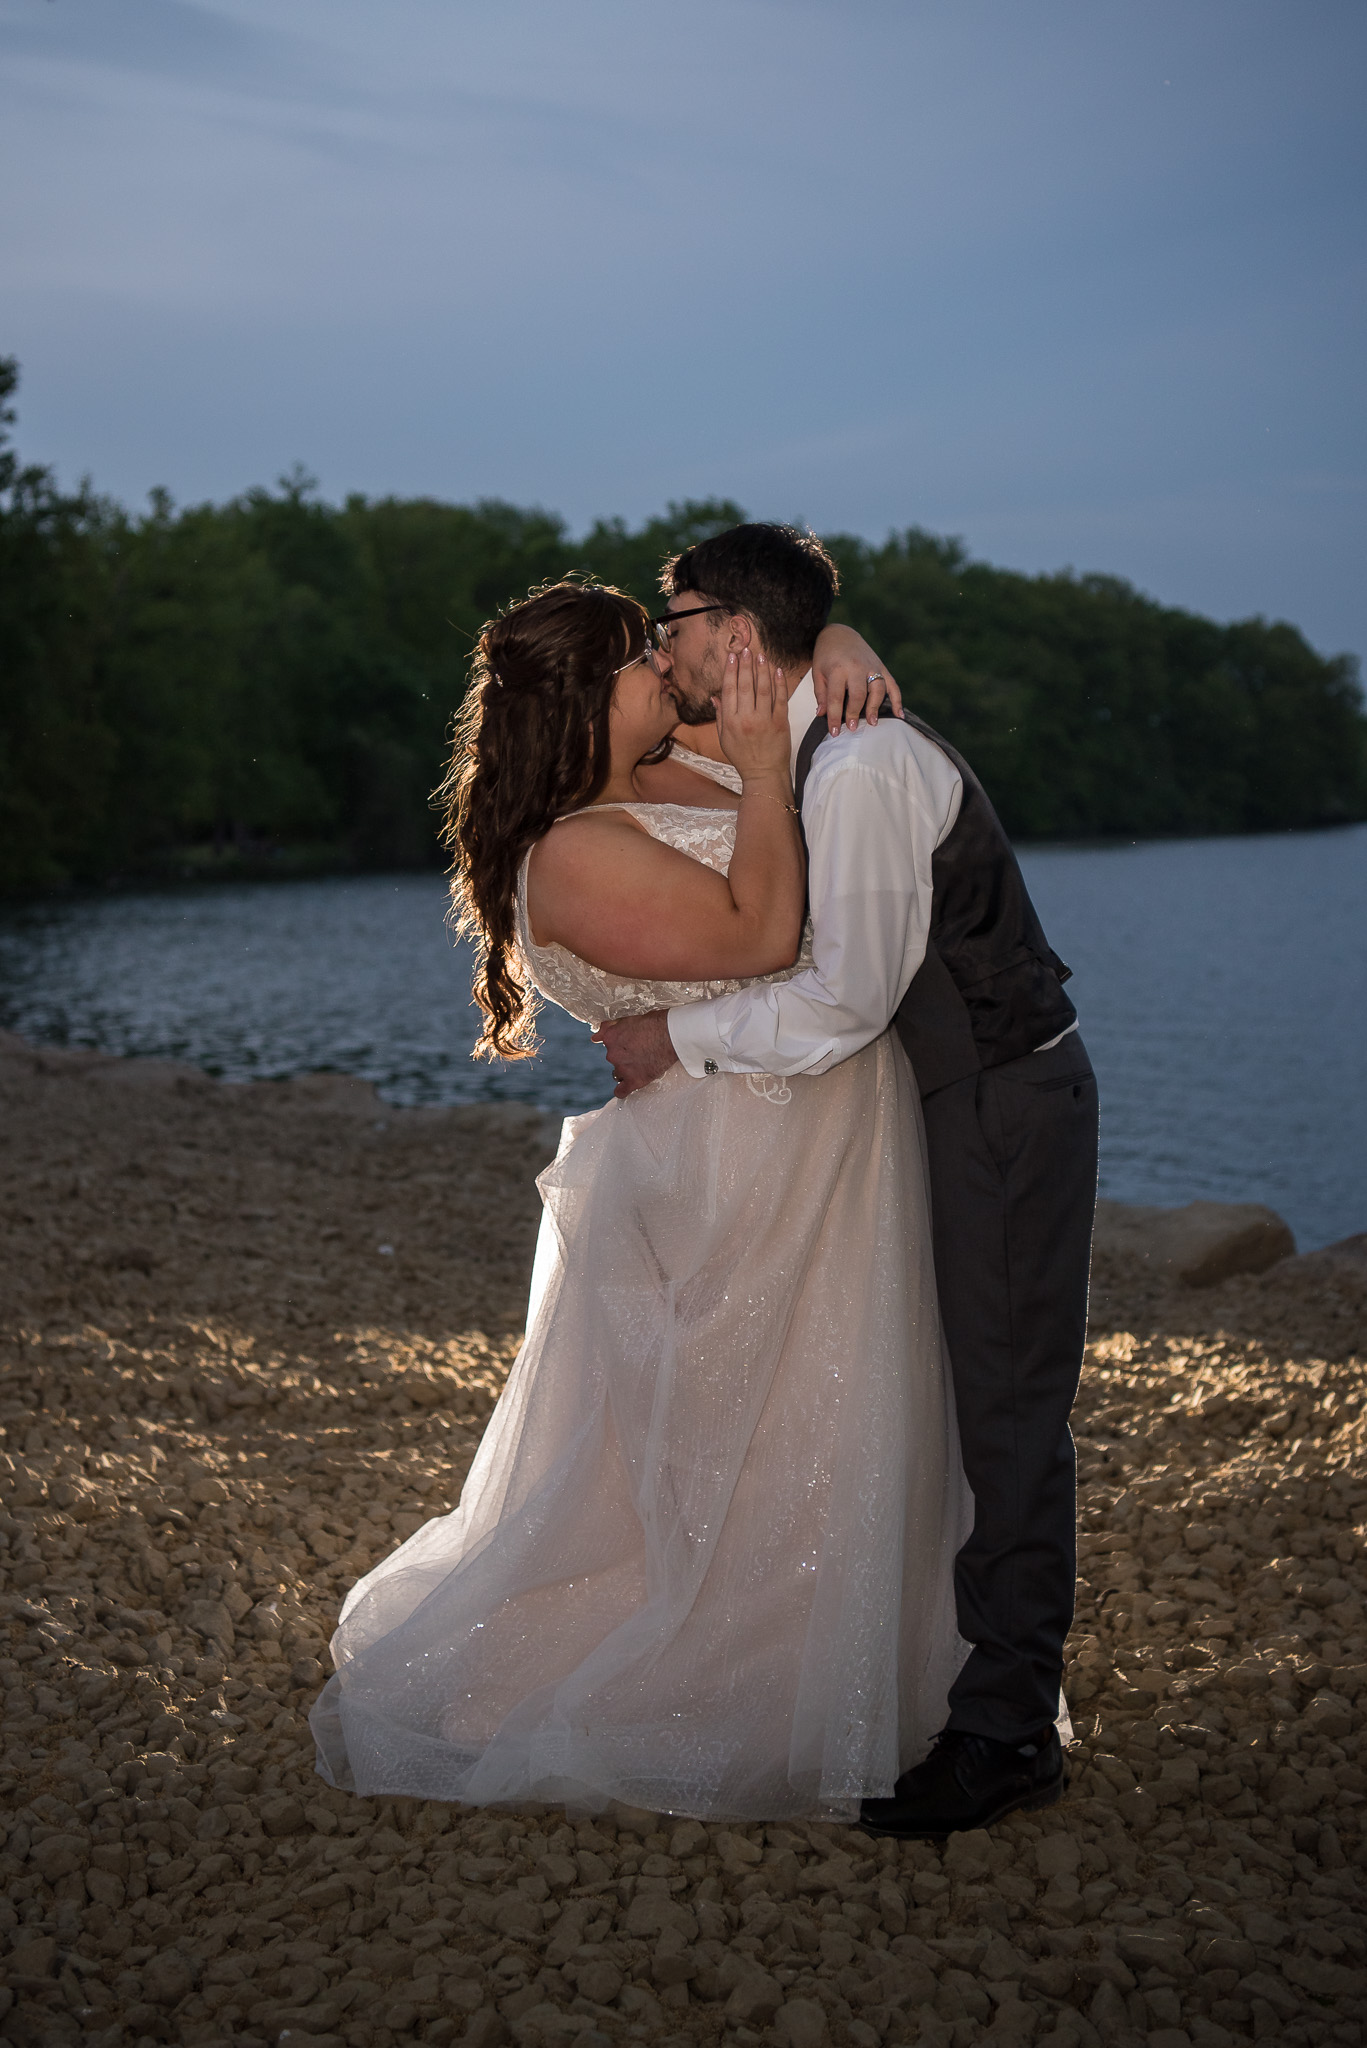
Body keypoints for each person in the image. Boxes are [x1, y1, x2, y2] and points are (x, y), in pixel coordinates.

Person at [310, 579, 969, 1821]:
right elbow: (768, 928)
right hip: (735, 1158)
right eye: (635, 662)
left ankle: (871, 1671)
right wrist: (766, 775)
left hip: (813, 1124)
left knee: (838, 1397)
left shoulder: (666, 766)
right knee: (758, 1419)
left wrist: (830, 633)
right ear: (582, 697)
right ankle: (741, 1702)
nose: (663, 672)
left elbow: (781, 688)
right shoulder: (569, 850)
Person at [597, 524, 1100, 1837]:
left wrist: (670, 1041)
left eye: (678, 620)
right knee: (971, 1396)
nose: (664, 645)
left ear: (734, 637)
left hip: (999, 1102)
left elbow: (840, 1004)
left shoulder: (865, 768)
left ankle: (1003, 1735)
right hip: (960, 1102)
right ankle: (969, 1685)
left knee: (1002, 1410)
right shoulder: (817, 736)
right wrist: (824, 635)